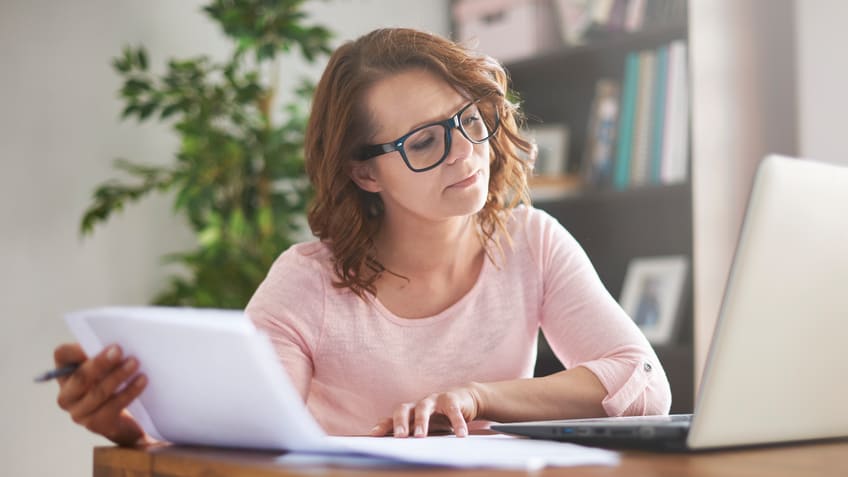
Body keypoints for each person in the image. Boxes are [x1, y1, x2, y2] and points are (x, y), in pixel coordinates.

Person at [52, 28, 671, 446]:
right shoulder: (307, 282)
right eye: (425, 142)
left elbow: (643, 384)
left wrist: (479, 397)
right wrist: (129, 431)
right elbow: (243, 439)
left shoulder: (531, 242)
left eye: (469, 120)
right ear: (363, 171)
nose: (465, 154)